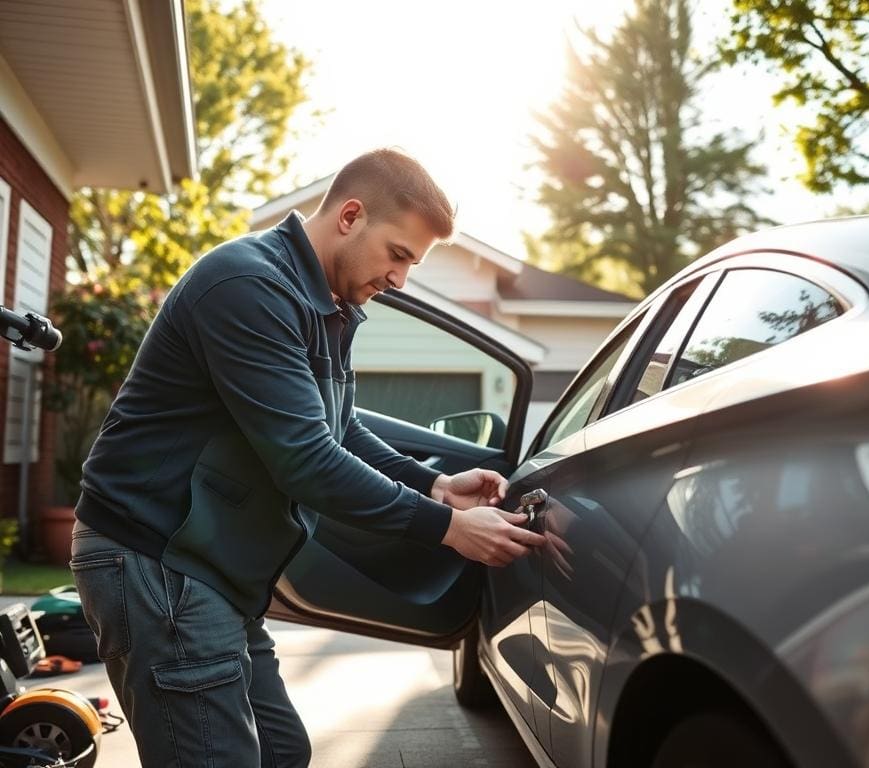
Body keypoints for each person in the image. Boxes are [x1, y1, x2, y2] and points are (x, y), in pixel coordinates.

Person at [70, 148, 545, 768]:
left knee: (280, 752)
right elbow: (307, 460)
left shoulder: (326, 304)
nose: (401, 278)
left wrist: (434, 486)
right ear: (350, 216)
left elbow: (339, 428)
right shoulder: (250, 286)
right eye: (398, 254)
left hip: (210, 570)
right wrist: (451, 529)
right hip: (157, 560)